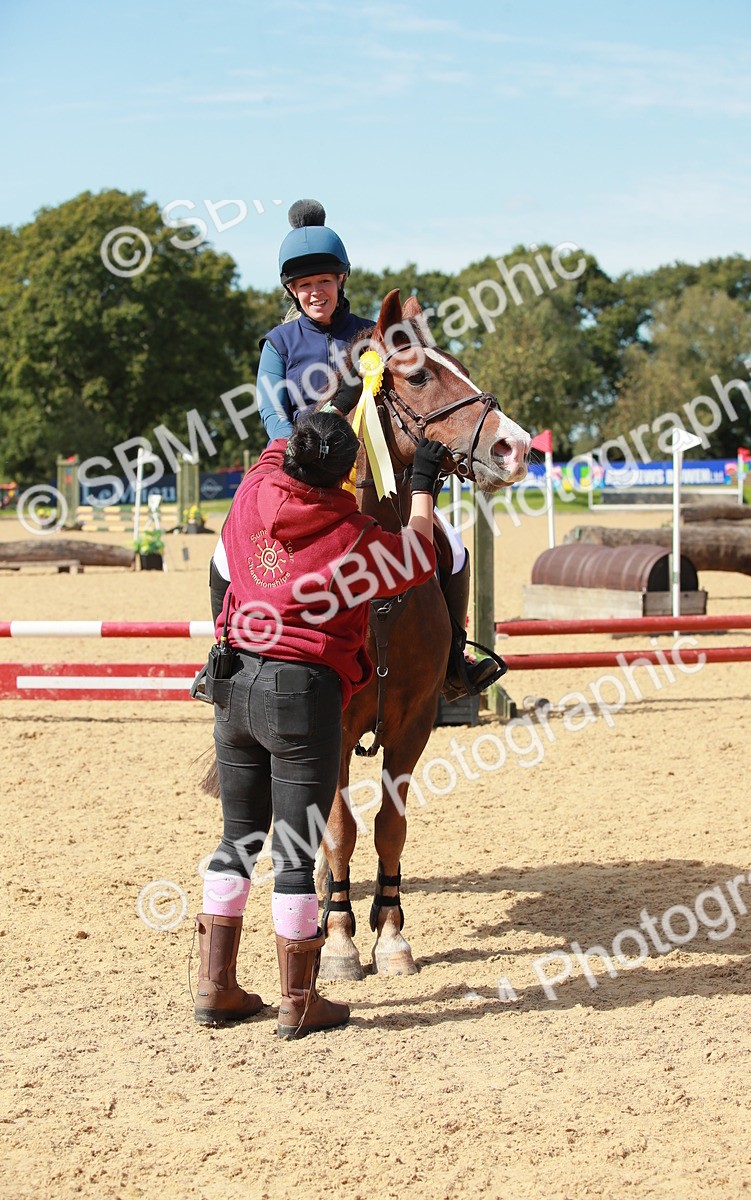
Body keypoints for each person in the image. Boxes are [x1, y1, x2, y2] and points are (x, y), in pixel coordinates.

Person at [195, 408, 447, 1038]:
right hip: (299, 695)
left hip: (233, 684)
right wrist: (421, 487)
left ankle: (216, 985)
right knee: (296, 851)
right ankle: (299, 999)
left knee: (239, 839)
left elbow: (276, 452)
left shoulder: (254, 493)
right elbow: (420, 552)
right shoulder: (354, 537)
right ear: (347, 475)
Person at [207, 199, 500, 700]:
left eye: (322, 281)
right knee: (223, 557)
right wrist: (299, 451)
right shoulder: (278, 343)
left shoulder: (373, 337)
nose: (314, 292)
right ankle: (226, 657)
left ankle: (455, 657)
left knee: (452, 549)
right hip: (296, 472)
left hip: (374, 472)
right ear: (291, 291)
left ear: (340, 281)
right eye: (303, 286)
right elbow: (271, 412)